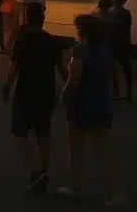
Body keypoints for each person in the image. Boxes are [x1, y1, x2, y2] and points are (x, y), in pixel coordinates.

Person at [58, 14, 122, 204]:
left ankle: (75, 186)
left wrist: (64, 94)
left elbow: (74, 79)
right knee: (102, 150)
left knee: (76, 148)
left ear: (82, 30)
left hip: (81, 103)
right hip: (101, 101)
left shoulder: (80, 51)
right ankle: (114, 192)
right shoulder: (103, 49)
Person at [2, 3, 66, 192]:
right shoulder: (52, 41)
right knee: (43, 132)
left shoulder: (22, 40)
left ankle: (35, 170)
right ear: (43, 19)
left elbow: (13, 67)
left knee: (19, 133)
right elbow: (62, 70)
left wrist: (7, 86)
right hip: (46, 91)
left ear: (27, 19)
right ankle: (44, 167)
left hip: (25, 90)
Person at [110, 0, 132, 102]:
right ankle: (129, 93)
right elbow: (127, 29)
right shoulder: (126, 13)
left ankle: (115, 92)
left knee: (113, 69)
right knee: (126, 68)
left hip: (113, 43)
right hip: (123, 43)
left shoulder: (110, 12)